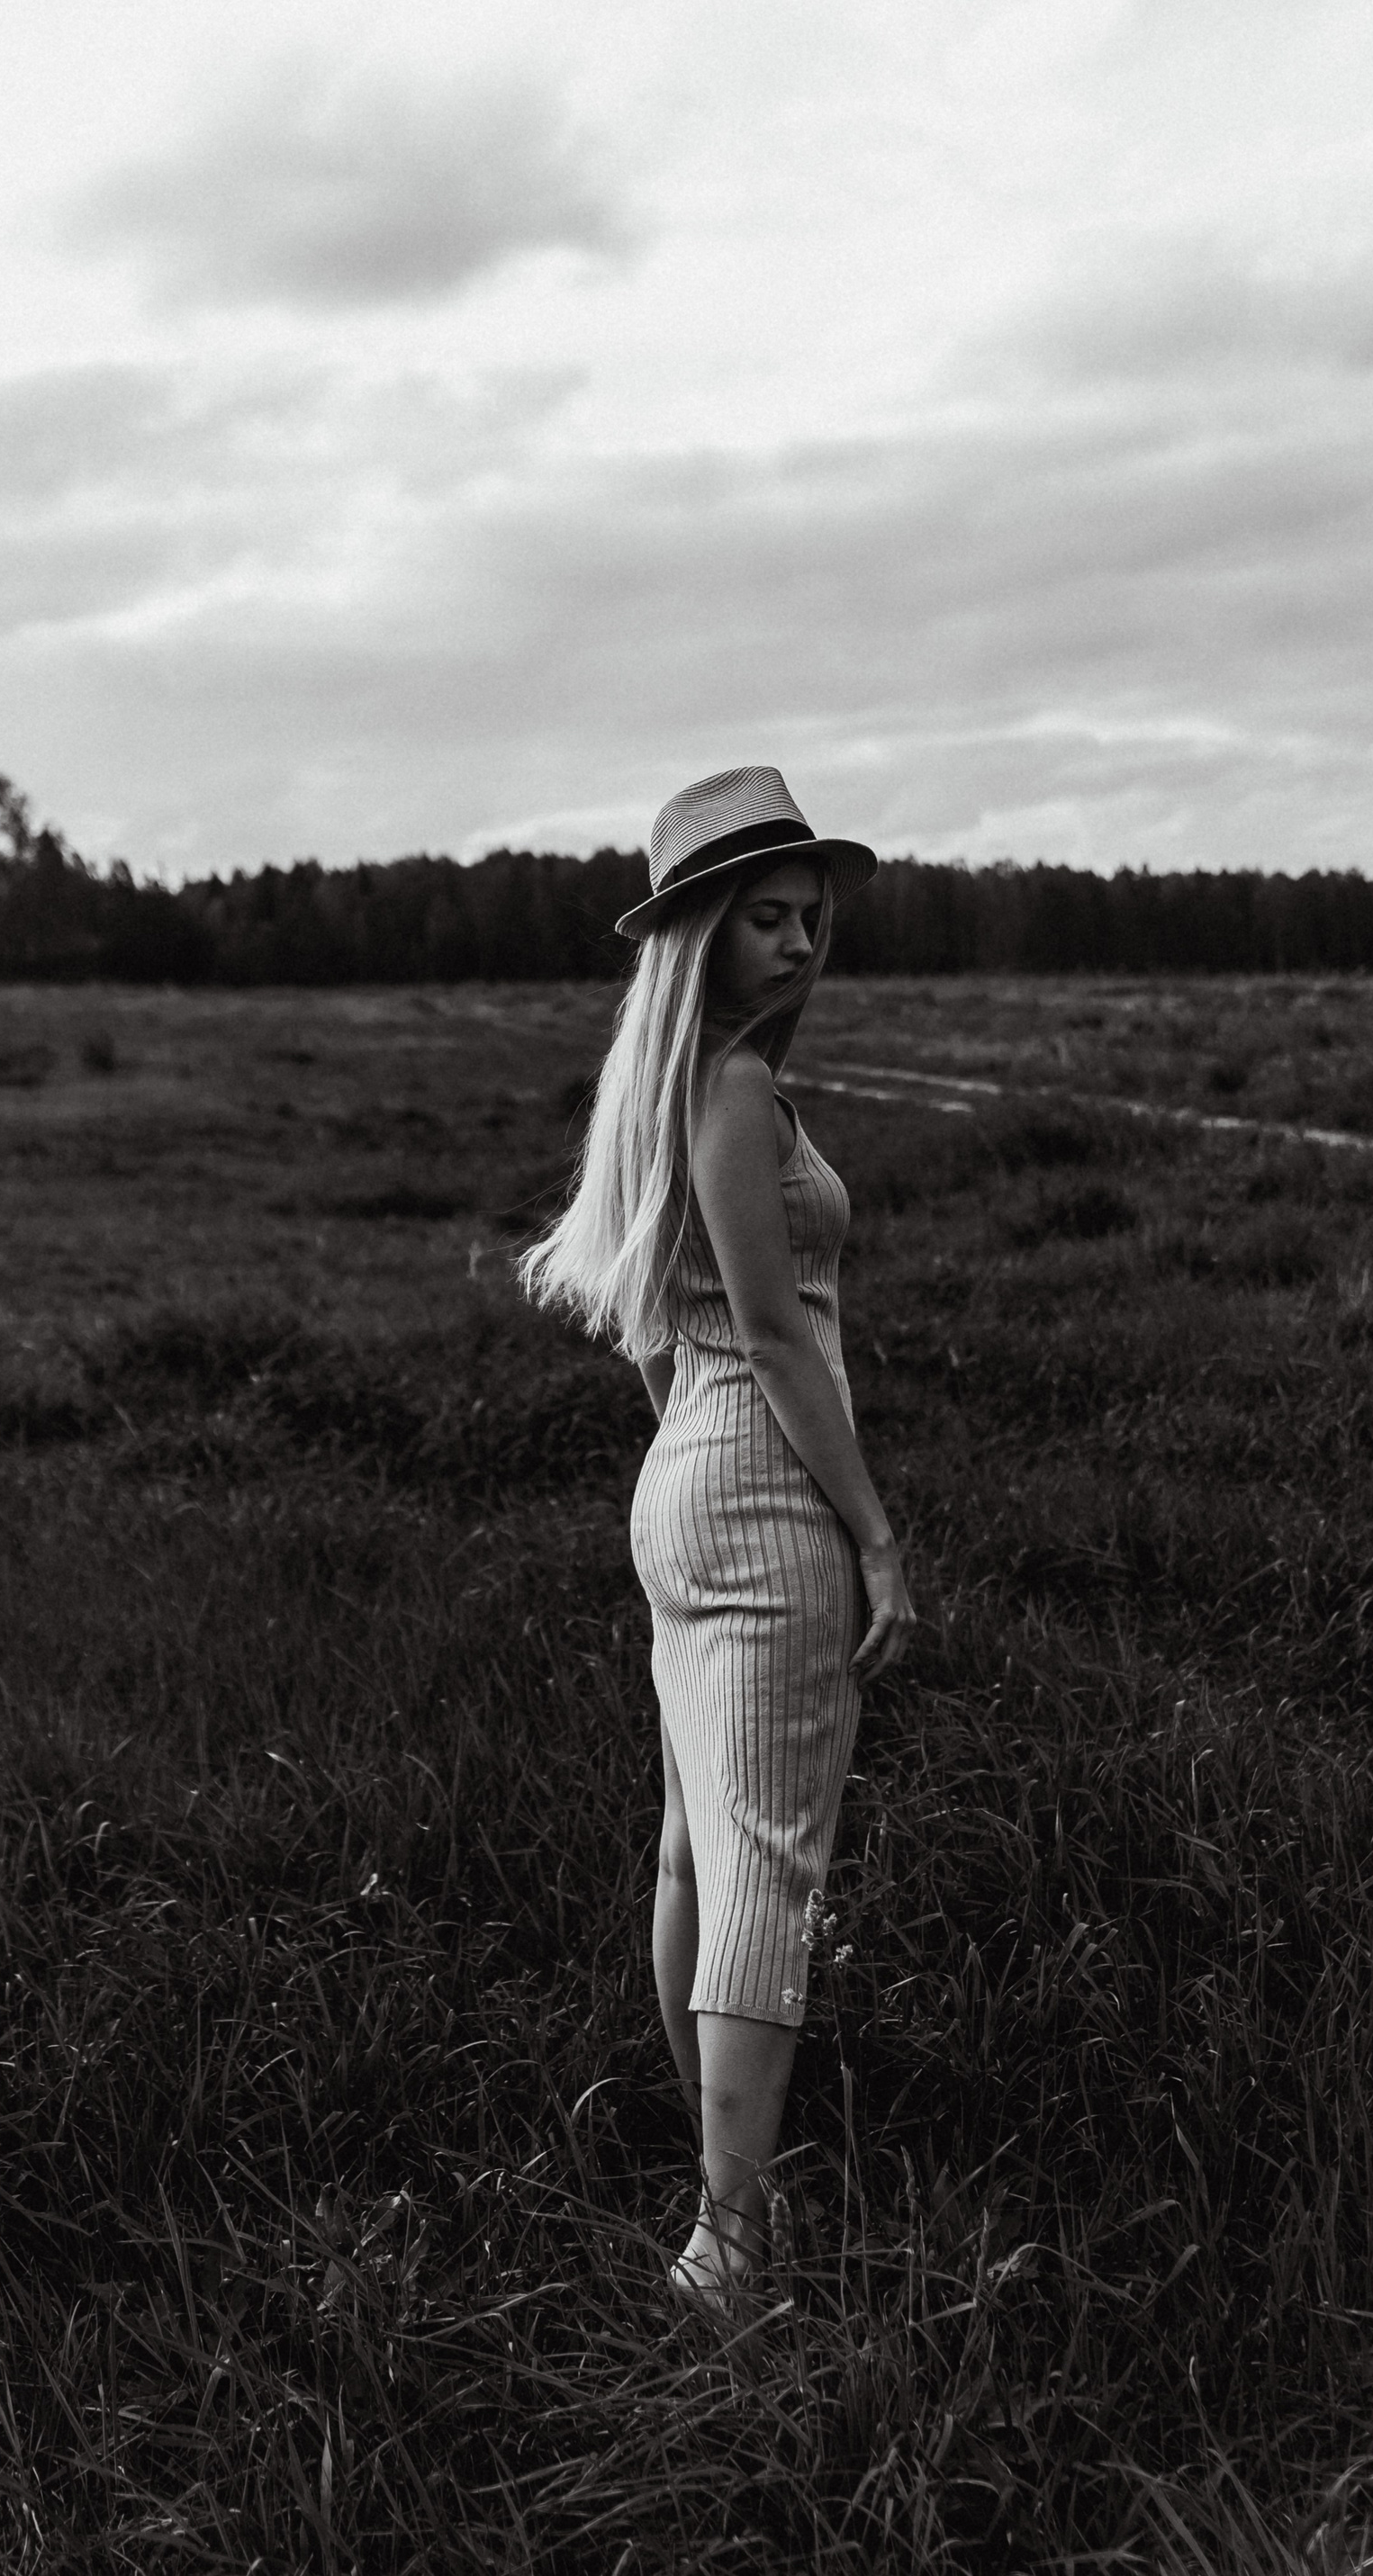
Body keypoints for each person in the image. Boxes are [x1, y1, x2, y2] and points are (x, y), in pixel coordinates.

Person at [519, 764, 916, 2301]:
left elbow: (662, 1331)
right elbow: (769, 1329)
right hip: (758, 1492)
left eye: (811, 915)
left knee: (698, 1849)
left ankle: (719, 2178)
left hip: (680, 1480)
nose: (802, 941)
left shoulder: (668, 1088)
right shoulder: (735, 1090)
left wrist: (699, 1449)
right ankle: (727, 2237)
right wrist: (873, 1534)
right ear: (702, 934)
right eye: (768, 918)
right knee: (768, 1869)